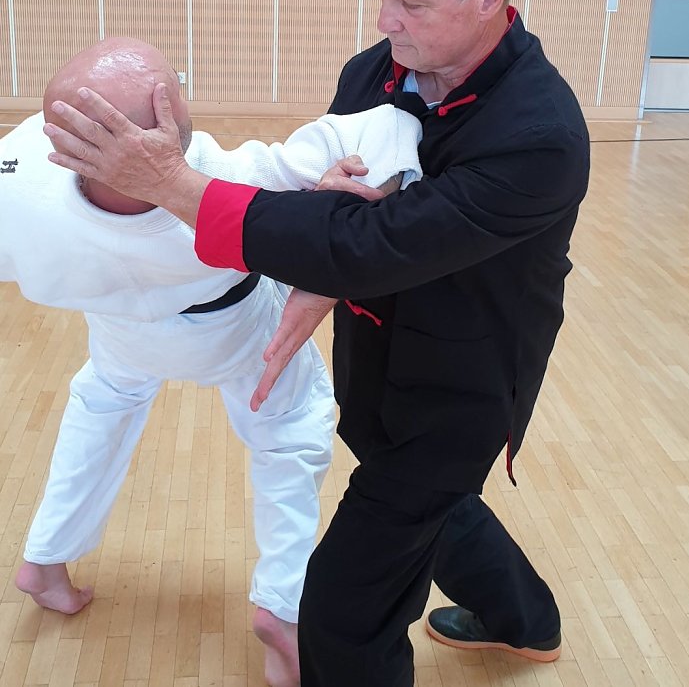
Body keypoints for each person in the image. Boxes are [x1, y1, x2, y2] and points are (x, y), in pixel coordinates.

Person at [45, 0, 591, 687]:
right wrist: (318, 285)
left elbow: (373, 240)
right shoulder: (378, 69)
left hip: (464, 383)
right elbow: (343, 202)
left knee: (337, 609)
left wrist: (176, 185)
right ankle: (525, 620)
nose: (384, 20)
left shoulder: (538, 136)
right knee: (414, 495)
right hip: (376, 349)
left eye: (410, 1)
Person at [2, 37, 422, 687]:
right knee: (289, 431)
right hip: (233, 329)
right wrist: (329, 200)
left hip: (121, 328)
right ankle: (282, 607)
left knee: (102, 402)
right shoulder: (239, 178)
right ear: (168, 123)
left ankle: (46, 559)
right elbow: (393, 127)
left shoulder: (16, 178)